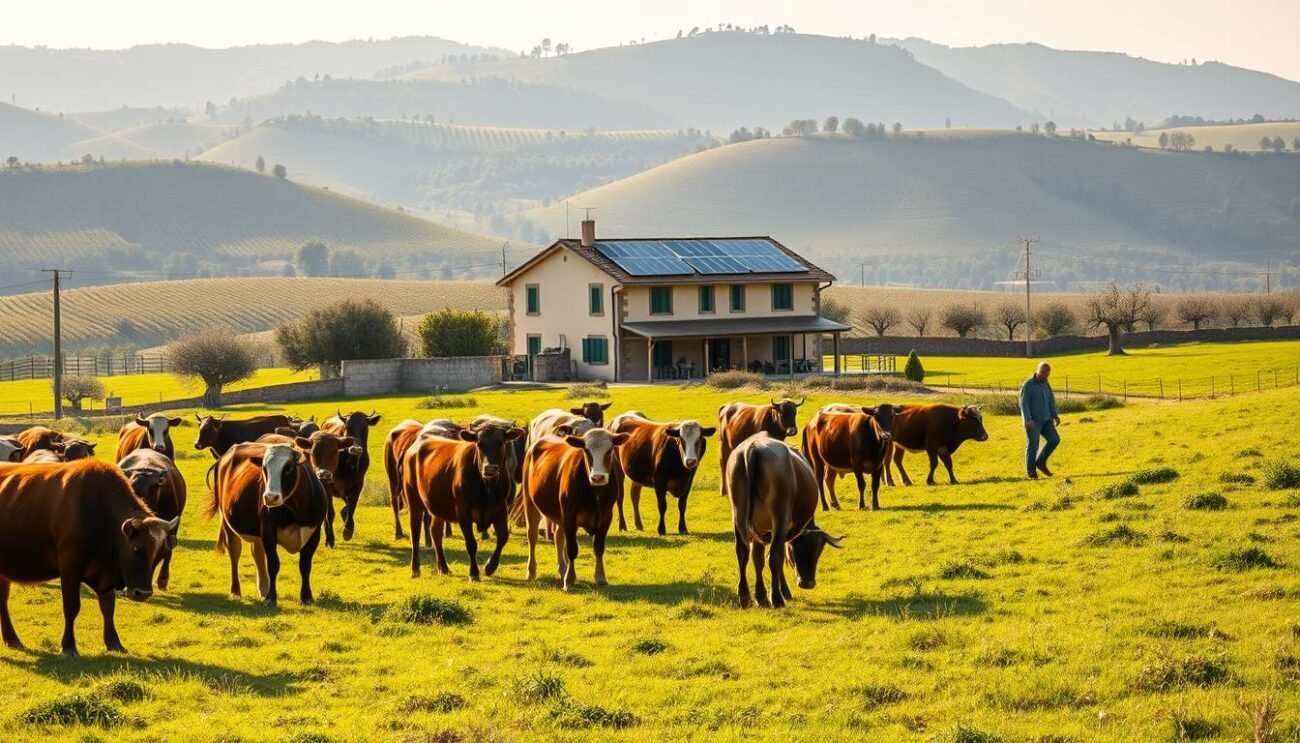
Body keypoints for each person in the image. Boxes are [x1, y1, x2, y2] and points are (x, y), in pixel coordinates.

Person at [1019, 362, 1060, 479]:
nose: (1044, 376)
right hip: (1033, 421)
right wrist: (1027, 419)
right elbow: (1024, 403)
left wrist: (1055, 416)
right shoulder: (1028, 385)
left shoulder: (1046, 385)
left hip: (1047, 420)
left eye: (1047, 374)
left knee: (1055, 439)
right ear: (1037, 370)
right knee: (1033, 446)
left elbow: (1051, 401)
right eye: (1042, 372)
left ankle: (1040, 462)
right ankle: (1031, 473)